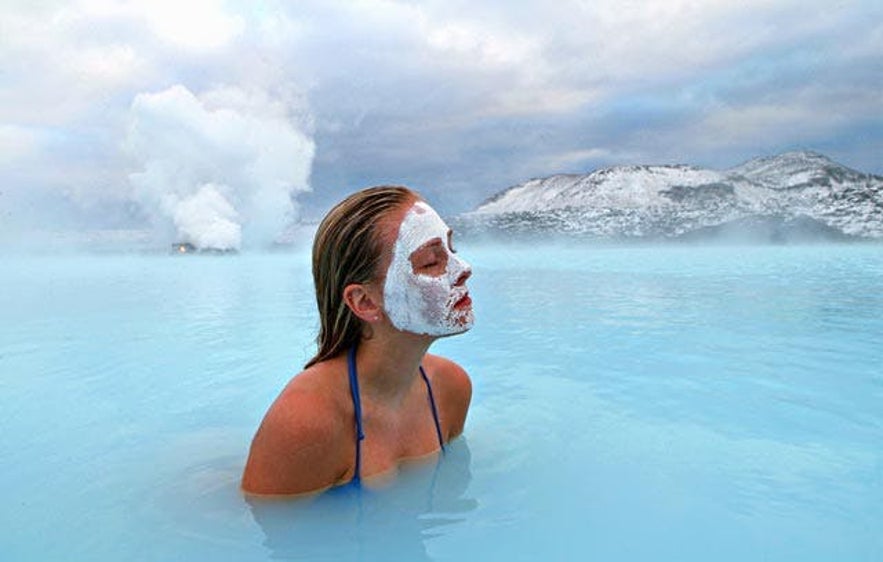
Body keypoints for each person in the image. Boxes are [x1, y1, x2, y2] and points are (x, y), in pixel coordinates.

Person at [241, 186, 474, 496]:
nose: (464, 269)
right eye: (431, 261)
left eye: (451, 249)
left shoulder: (451, 388)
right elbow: (275, 530)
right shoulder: (306, 422)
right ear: (364, 302)